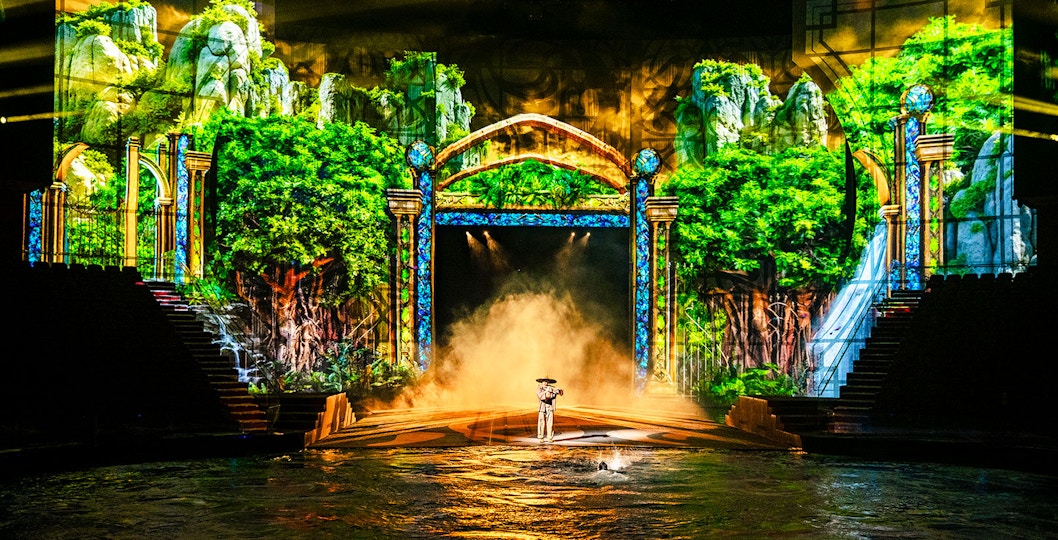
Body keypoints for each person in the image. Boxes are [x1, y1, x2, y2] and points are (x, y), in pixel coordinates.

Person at [536, 376, 563, 442]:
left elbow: (556, 394)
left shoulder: (551, 388)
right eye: (544, 381)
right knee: (541, 422)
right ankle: (541, 437)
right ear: (542, 382)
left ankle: (550, 437)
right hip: (542, 407)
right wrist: (547, 392)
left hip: (549, 407)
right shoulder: (539, 388)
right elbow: (540, 396)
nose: (545, 382)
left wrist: (555, 391)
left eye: (547, 381)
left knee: (550, 422)